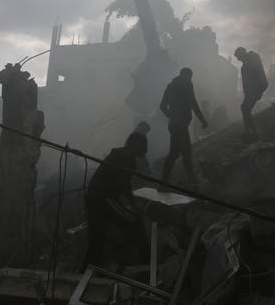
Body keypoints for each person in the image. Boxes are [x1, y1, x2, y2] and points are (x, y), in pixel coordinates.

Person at [80, 132, 149, 272]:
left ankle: (82, 273)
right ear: (136, 144)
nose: (146, 149)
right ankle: (149, 265)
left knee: (97, 242)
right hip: (104, 200)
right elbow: (124, 185)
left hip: (94, 198)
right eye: (144, 145)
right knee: (135, 224)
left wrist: (130, 203)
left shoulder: (118, 154)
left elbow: (123, 184)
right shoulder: (126, 159)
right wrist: (134, 206)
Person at [159, 68, 208, 186]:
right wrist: (203, 120)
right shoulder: (185, 86)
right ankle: (167, 181)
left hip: (177, 125)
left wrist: (171, 117)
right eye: (188, 77)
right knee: (179, 152)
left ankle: (186, 179)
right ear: (185, 76)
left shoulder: (172, 86)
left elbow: (162, 106)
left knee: (180, 152)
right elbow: (194, 104)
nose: (188, 79)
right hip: (179, 126)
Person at [234, 47, 268, 142]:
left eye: (238, 56)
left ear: (241, 54)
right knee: (245, 108)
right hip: (254, 89)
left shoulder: (250, 61)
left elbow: (252, 78)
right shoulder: (247, 63)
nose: (237, 59)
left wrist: (253, 92)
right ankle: (249, 131)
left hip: (256, 88)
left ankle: (252, 132)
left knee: (245, 109)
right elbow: (246, 83)